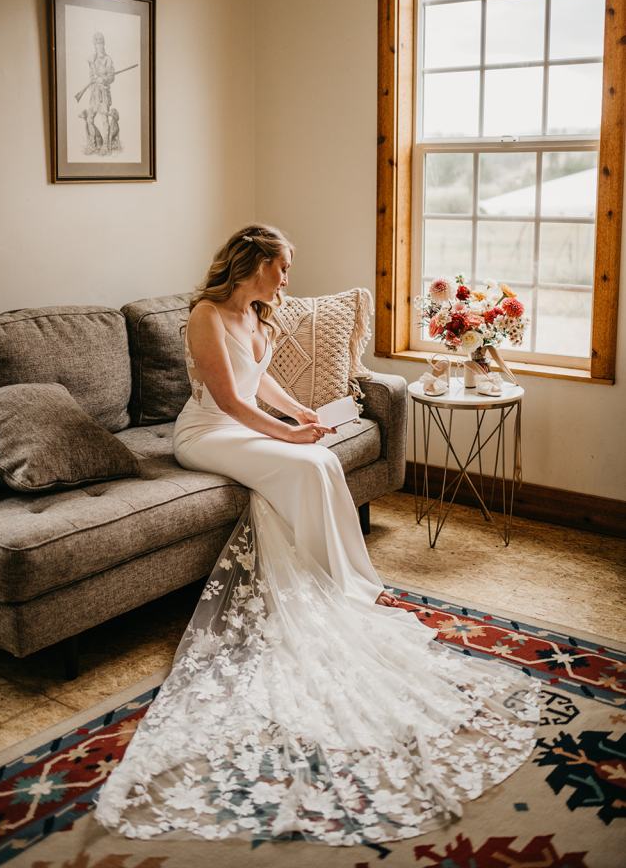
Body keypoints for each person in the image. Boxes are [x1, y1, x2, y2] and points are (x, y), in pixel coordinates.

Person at [95, 224, 540, 846]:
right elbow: (227, 398)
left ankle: (343, 580)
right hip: (205, 433)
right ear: (252, 264)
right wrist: (286, 434)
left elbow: (259, 381)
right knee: (307, 463)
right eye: (281, 266)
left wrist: (300, 412)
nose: (287, 277)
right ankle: (325, 583)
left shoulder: (257, 312)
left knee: (324, 459)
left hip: (243, 425)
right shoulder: (205, 315)